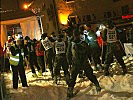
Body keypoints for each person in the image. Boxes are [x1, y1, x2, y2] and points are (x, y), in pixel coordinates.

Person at [66, 29, 101, 99]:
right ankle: (97, 85)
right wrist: (90, 58)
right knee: (90, 75)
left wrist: (69, 63)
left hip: (76, 63)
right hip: (84, 62)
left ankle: (70, 92)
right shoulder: (83, 42)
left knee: (73, 77)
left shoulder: (71, 43)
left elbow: (68, 54)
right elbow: (89, 51)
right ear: (79, 35)